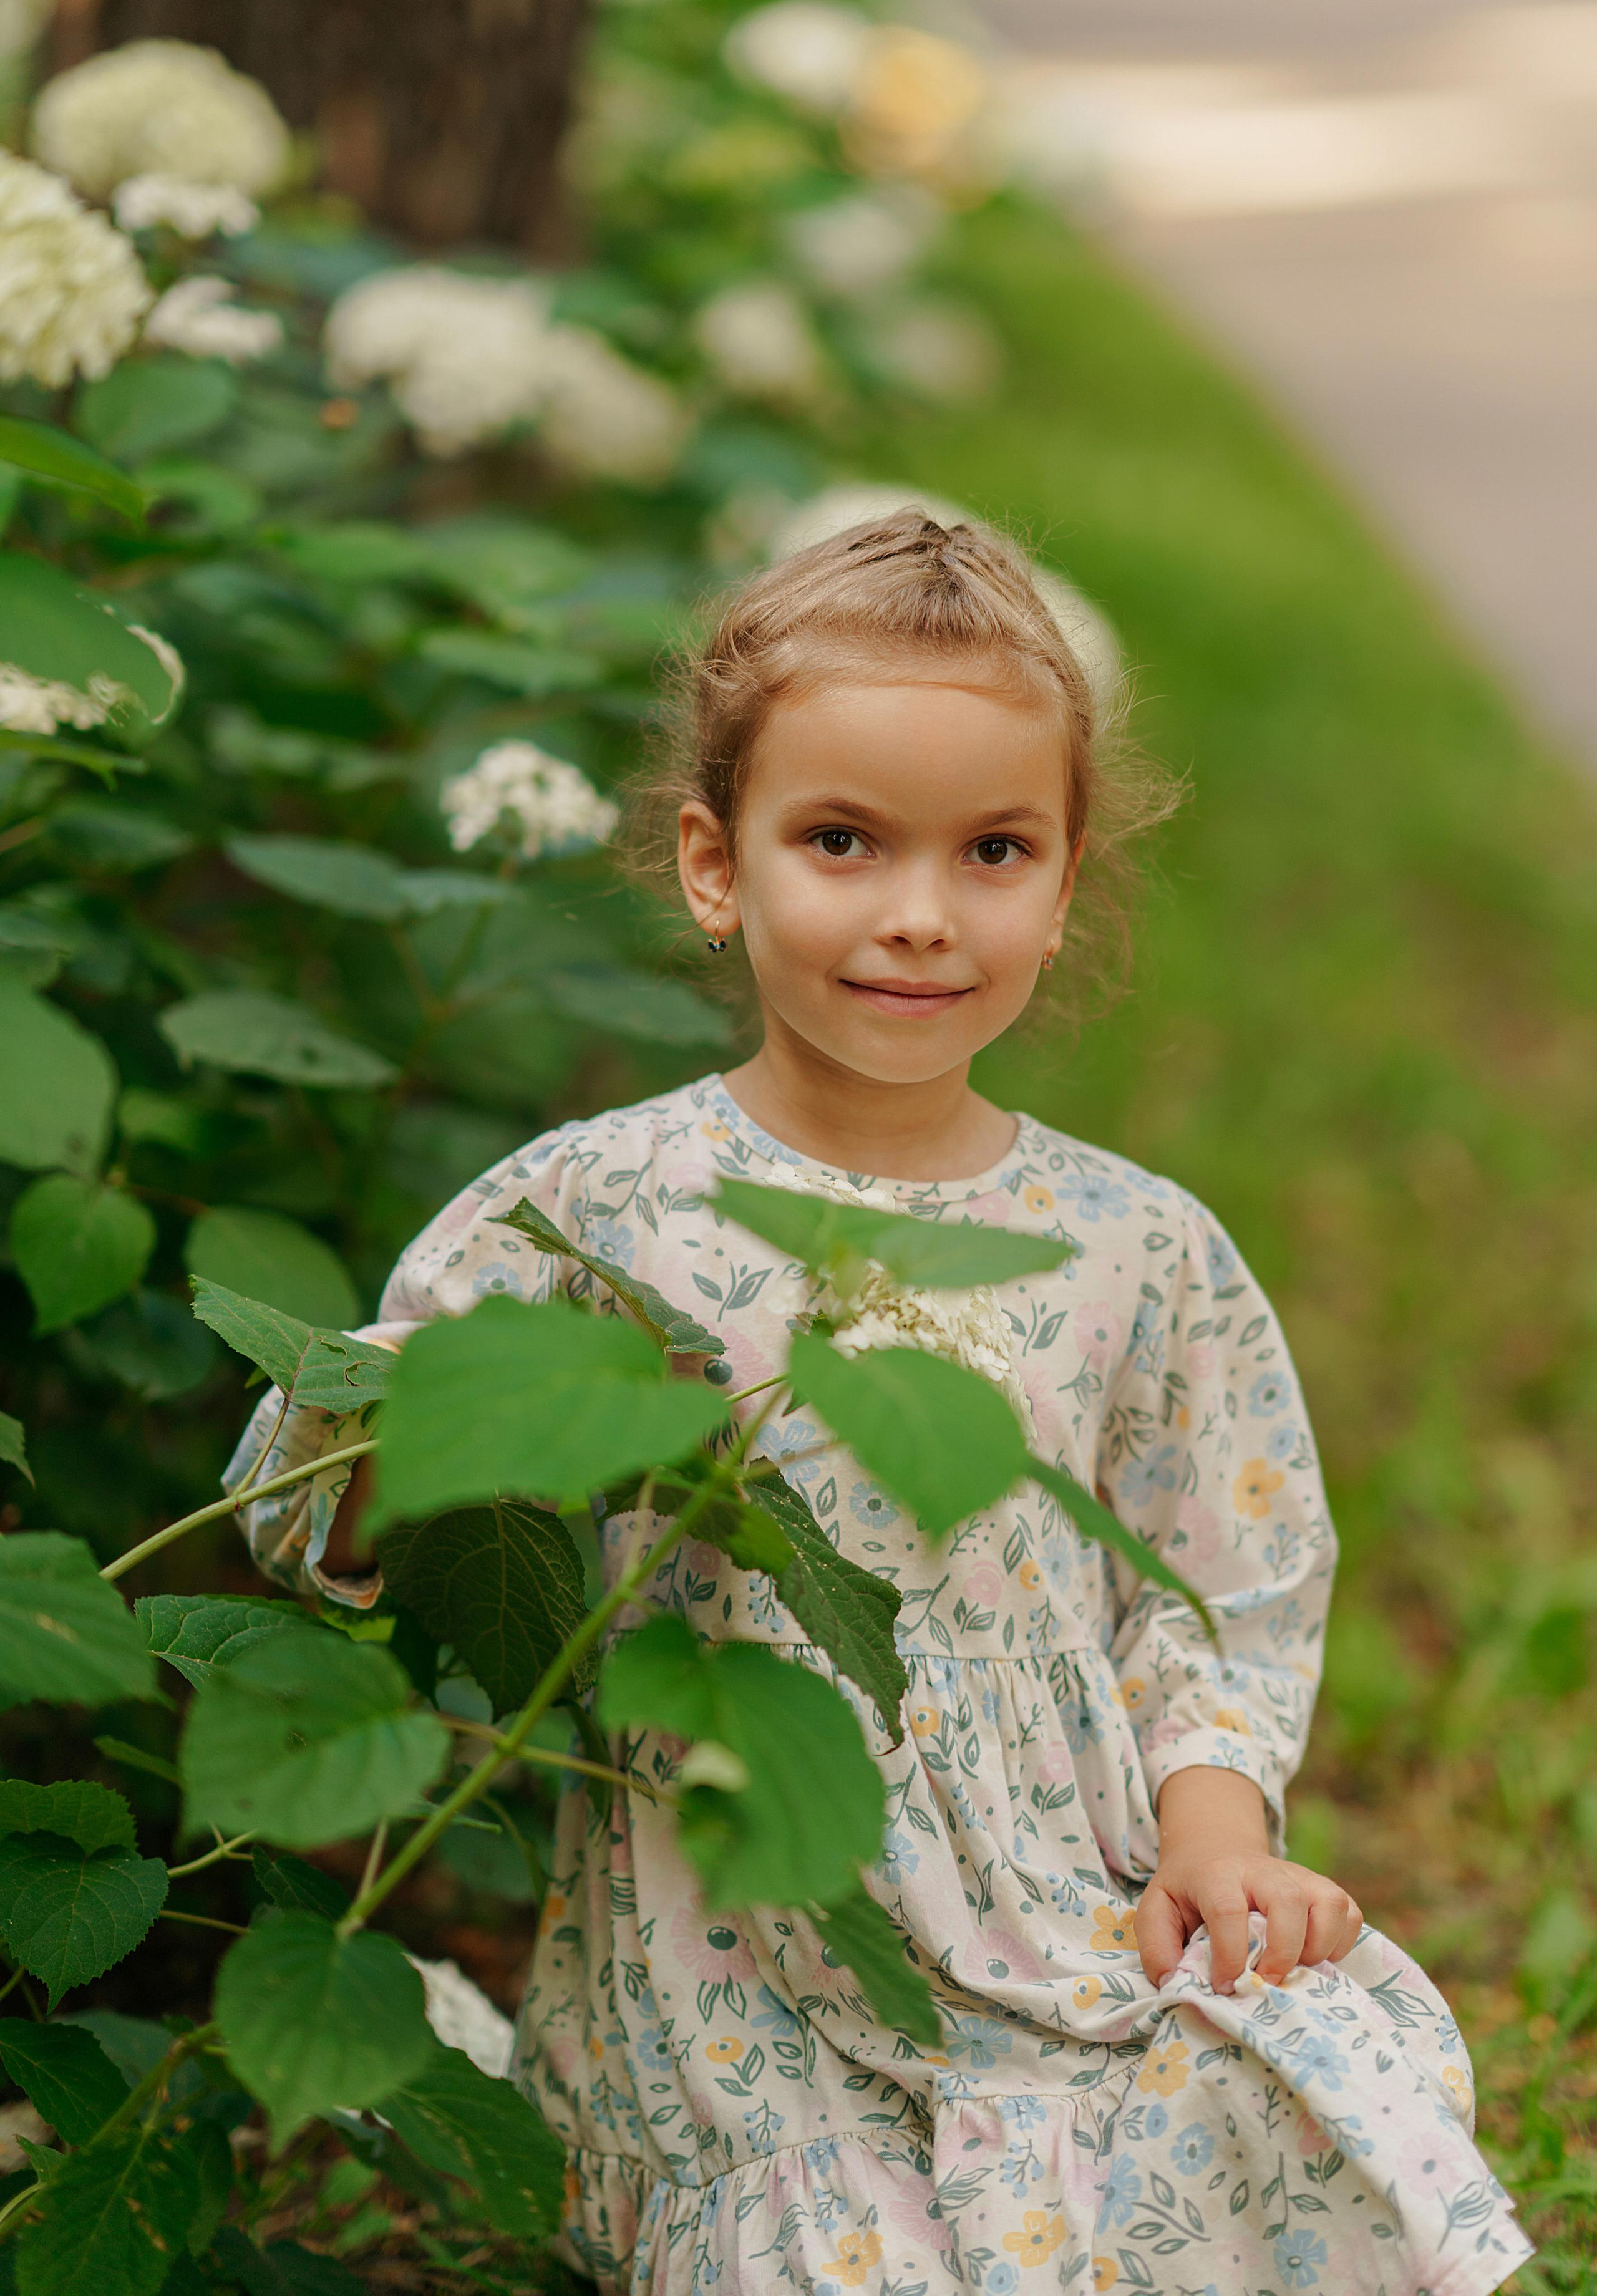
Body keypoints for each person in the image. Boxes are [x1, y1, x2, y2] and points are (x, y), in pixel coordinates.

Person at [226, 511, 1531, 2294]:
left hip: (1068, 1909)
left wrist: (1218, 1833)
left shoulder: (1134, 1247)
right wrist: (444, 1422)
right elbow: (316, 1516)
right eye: (841, 840)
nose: (919, 914)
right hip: (742, 1943)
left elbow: (1212, 1576)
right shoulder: (599, 1209)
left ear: (1066, 881)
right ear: (716, 862)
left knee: (1267, 2128)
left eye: (992, 849)